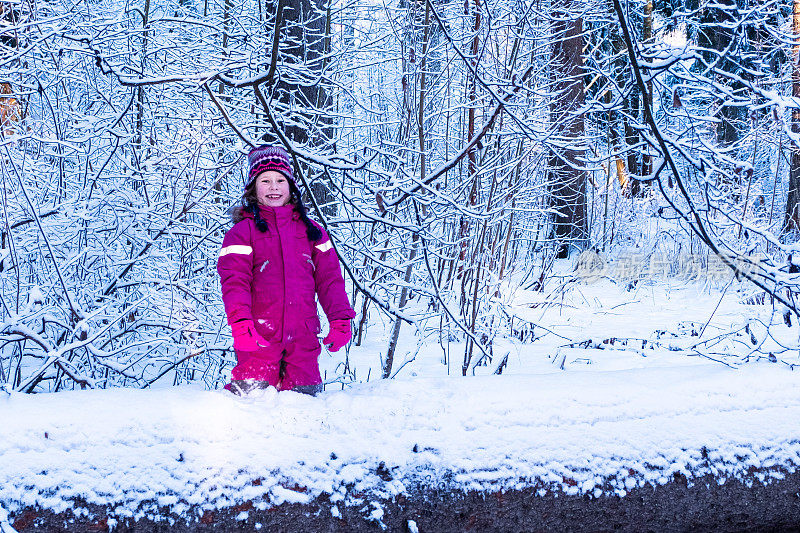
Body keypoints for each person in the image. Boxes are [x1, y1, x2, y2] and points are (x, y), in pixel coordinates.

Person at [217, 145, 355, 395]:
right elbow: (235, 282)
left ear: (291, 186)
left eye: (280, 180)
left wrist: (340, 318)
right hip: (257, 336)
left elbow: (330, 280)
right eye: (265, 181)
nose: (274, 187)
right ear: (252, 188)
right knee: (251, 404)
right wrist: (240, 322)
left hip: (303, 337)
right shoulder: (241, 233)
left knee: (303, 405)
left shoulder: (311, 231)